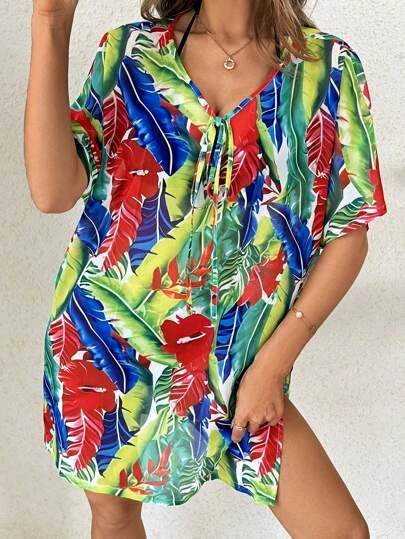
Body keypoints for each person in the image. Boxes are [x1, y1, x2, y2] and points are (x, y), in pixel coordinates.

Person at [25, 0, 387, 537]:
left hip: (246, 367)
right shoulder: (129, 54)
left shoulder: (326, 68)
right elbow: (53, 192)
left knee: (341, 532)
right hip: (114, 350)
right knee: (115, 518)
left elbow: (350, 231)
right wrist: (50, 24)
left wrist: (272, 366)